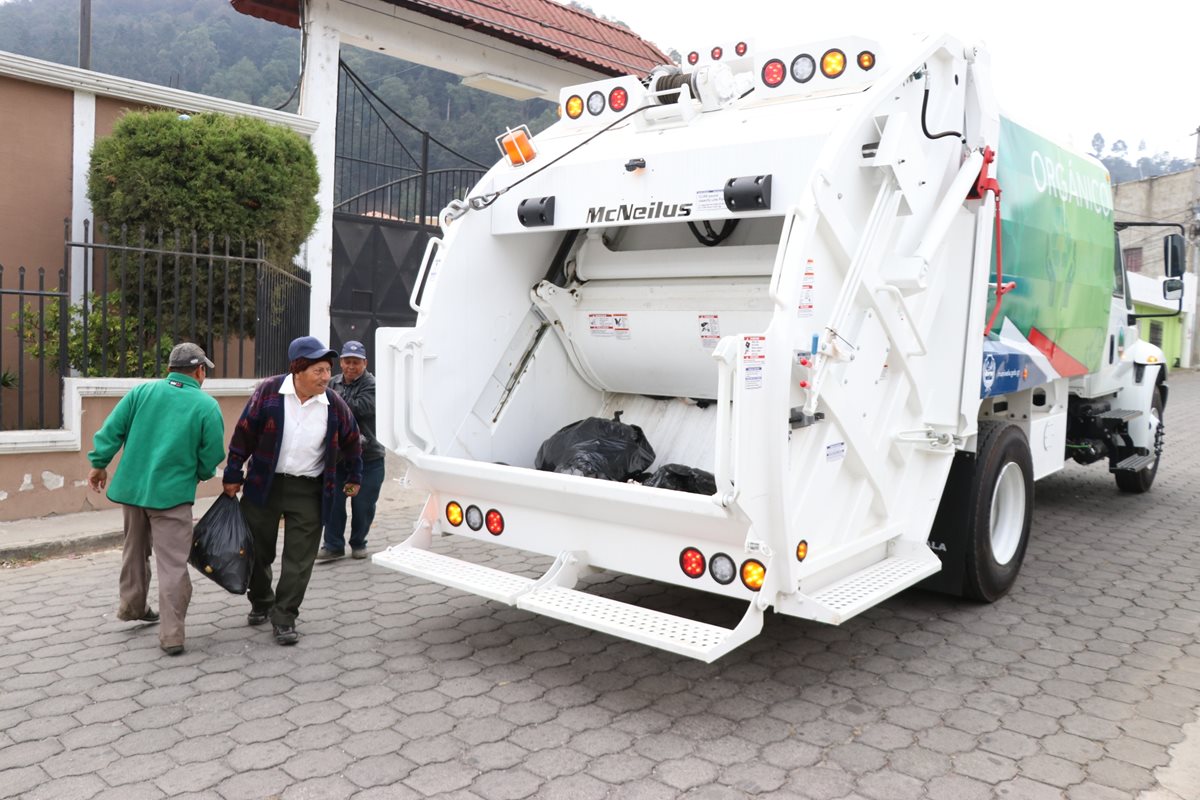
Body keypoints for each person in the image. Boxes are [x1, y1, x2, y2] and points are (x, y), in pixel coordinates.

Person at [222, 335, 363, 646]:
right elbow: (243, 434)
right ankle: (261, 600)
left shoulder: (334, 405)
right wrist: (233, 473)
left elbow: (353, 442)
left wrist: (354, 477)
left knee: (300, 558)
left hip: (309, 489)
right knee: (257, 552)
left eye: (328, 370)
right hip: (264, 485)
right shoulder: (269, 393)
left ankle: (284, 616)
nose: (326, 377)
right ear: (298, 369)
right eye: (319, 371)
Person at [87, 342, 226, 656]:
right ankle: (172, 635)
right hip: (172, 497)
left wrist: (98, 464)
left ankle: (132, 606)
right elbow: (212, 454)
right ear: (199, 370)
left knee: (134, 549)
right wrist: (199, 472)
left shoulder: (141, 393)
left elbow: (112, 430)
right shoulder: (206, 406)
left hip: (132, 491)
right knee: (173, 563)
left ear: (169, 369)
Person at [318, 340, 385, 561]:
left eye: (356, 362)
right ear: (341, 362)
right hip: (339, 459)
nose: (351, 366)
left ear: (365, 363)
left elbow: (360, 407)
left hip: (369, 459)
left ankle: (358, 542)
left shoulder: (373, 385)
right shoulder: (334, 382)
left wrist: (332, 402)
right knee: (335, 501)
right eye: (347, 361)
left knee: (362, 504)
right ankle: (333, 545)